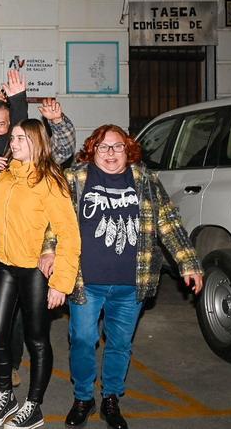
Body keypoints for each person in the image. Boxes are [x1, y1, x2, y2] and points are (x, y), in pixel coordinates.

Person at [59, 125, 203, 429]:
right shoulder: (75, 179)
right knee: (82, 339)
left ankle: (111, 397)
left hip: (131, 283)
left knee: (120, 344)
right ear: (92, 150)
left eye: (118, 147)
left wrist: (188, 262)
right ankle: (83, 397)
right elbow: (56, 222)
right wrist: (48, 252)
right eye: (103, 147)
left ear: (128, 150)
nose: (111, 153)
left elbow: (169, 222)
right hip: (86, 281)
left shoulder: (147, 180)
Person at [0, 118, 81, 429]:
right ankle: (6, 395)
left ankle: (34, 405)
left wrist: (60, 283)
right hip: (4, 265)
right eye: (13, 138)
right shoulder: (5, 177)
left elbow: (69, 234)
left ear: (35, 141)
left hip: (34, 270)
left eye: (19, 138)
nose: (12, 142)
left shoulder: (50, 181)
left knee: (37, 339)